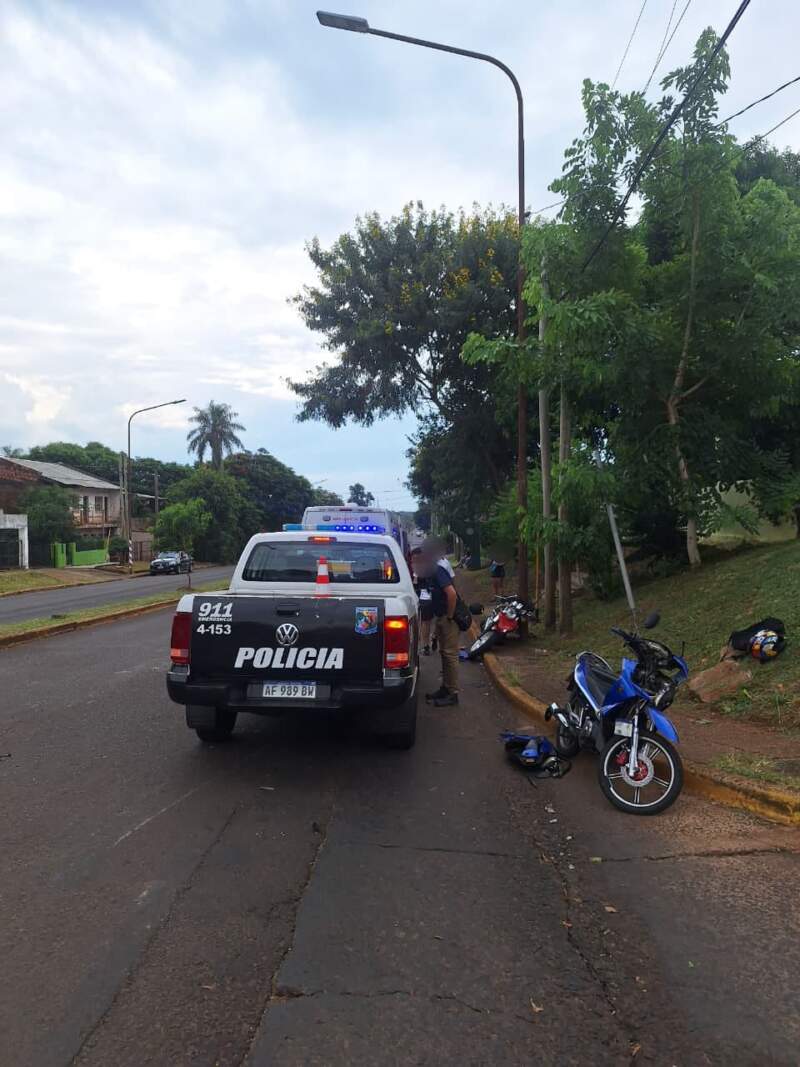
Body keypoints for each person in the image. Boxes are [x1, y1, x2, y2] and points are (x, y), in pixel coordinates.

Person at [420, 538, 459, 707]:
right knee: (444, 653)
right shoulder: (430, 572)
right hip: (441, 616)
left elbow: (452, 594)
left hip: (448, 618)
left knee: (450, 655)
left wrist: (448, 617)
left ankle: (453, 694)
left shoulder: (438, 571)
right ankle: (446, 688)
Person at [411, 547, 435, 655]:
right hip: (423, 597)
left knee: (425, 622)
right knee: (426, 622)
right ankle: (429, 641)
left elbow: (416, 583)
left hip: (426, 597)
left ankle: (426, 645)